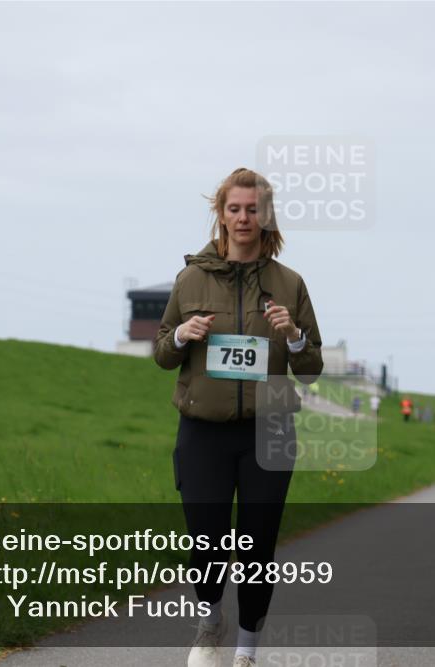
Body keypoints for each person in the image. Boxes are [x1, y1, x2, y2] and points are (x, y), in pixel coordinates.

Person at [153, 167, 323, 667]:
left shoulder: (289, 284)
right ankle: (209, 624)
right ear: (220, 214)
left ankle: (247, 650)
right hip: (202, 431)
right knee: (206, 538)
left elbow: (310, 368)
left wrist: (292, 335)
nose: (243, 218)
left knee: (256, 547)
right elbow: (163, 353)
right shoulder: (190, 278)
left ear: (265, 217)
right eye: (234, 209)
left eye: (253, 209)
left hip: (268, 432)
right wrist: (183, 334)